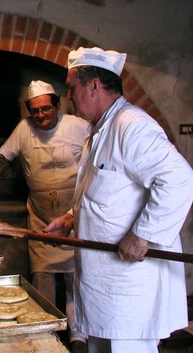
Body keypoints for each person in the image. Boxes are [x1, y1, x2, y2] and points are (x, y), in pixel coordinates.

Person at [44, 47, 193, 353]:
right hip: (102, 286)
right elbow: (105, 196)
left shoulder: (131, 126)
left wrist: (142, 236)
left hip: (128, 291)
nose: (68, 96)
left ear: (94, 86)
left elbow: (179, 179)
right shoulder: (97, 133)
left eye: (72, 88)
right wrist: (71, 220)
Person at [0, 80, 90, 350]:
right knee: (42, 276)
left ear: (57, 105)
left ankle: (78, 335)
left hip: (73, 214)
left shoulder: (79, 126)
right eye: (35, 111)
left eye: (46, 109)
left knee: (77, 277)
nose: (41, 115)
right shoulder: (24, 130)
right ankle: (47, 332)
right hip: (41, 215)